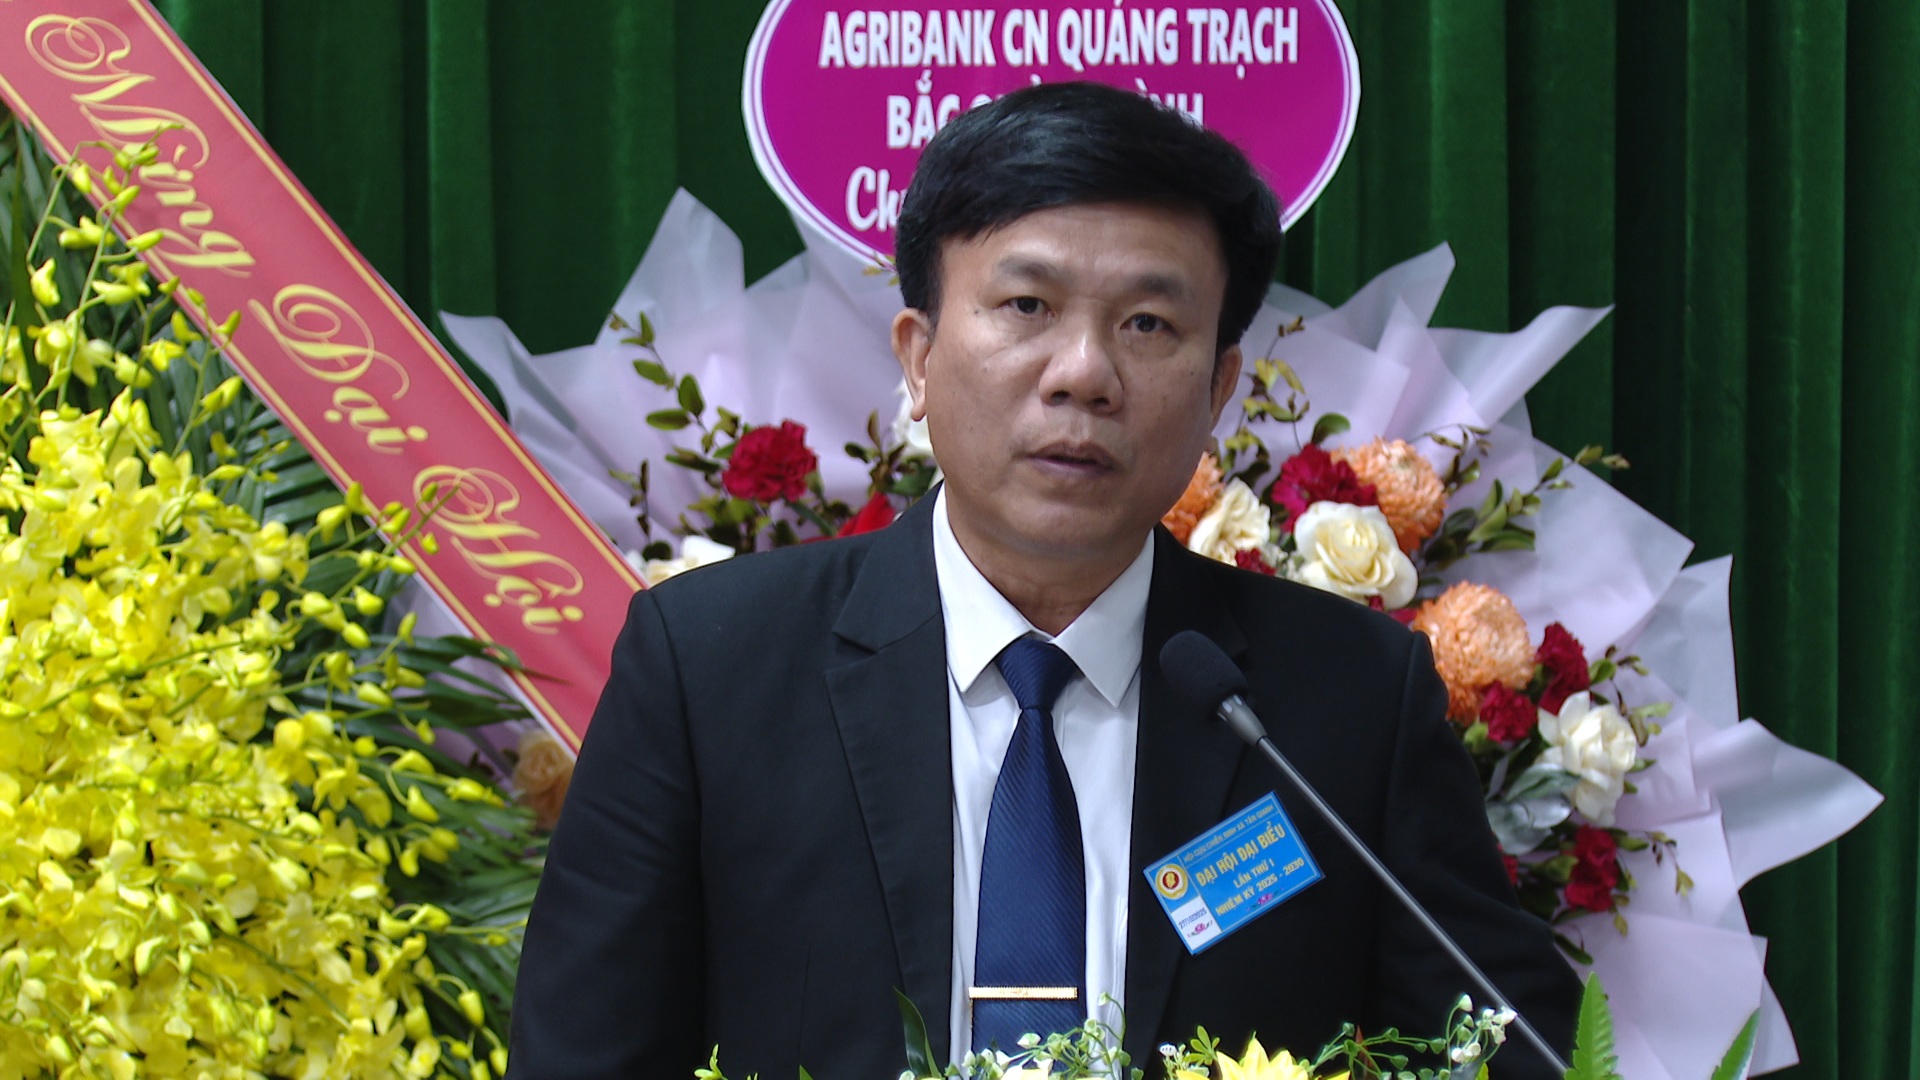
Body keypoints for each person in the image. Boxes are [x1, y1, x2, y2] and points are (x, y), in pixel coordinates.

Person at [508, 82, 1580, 1079]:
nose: (1084, 374)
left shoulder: (1348, 700)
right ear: (919, 356)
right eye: (1026, 305)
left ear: (1218, 390)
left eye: (1148, 324)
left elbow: (1510, 1049)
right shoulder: (710, 671)